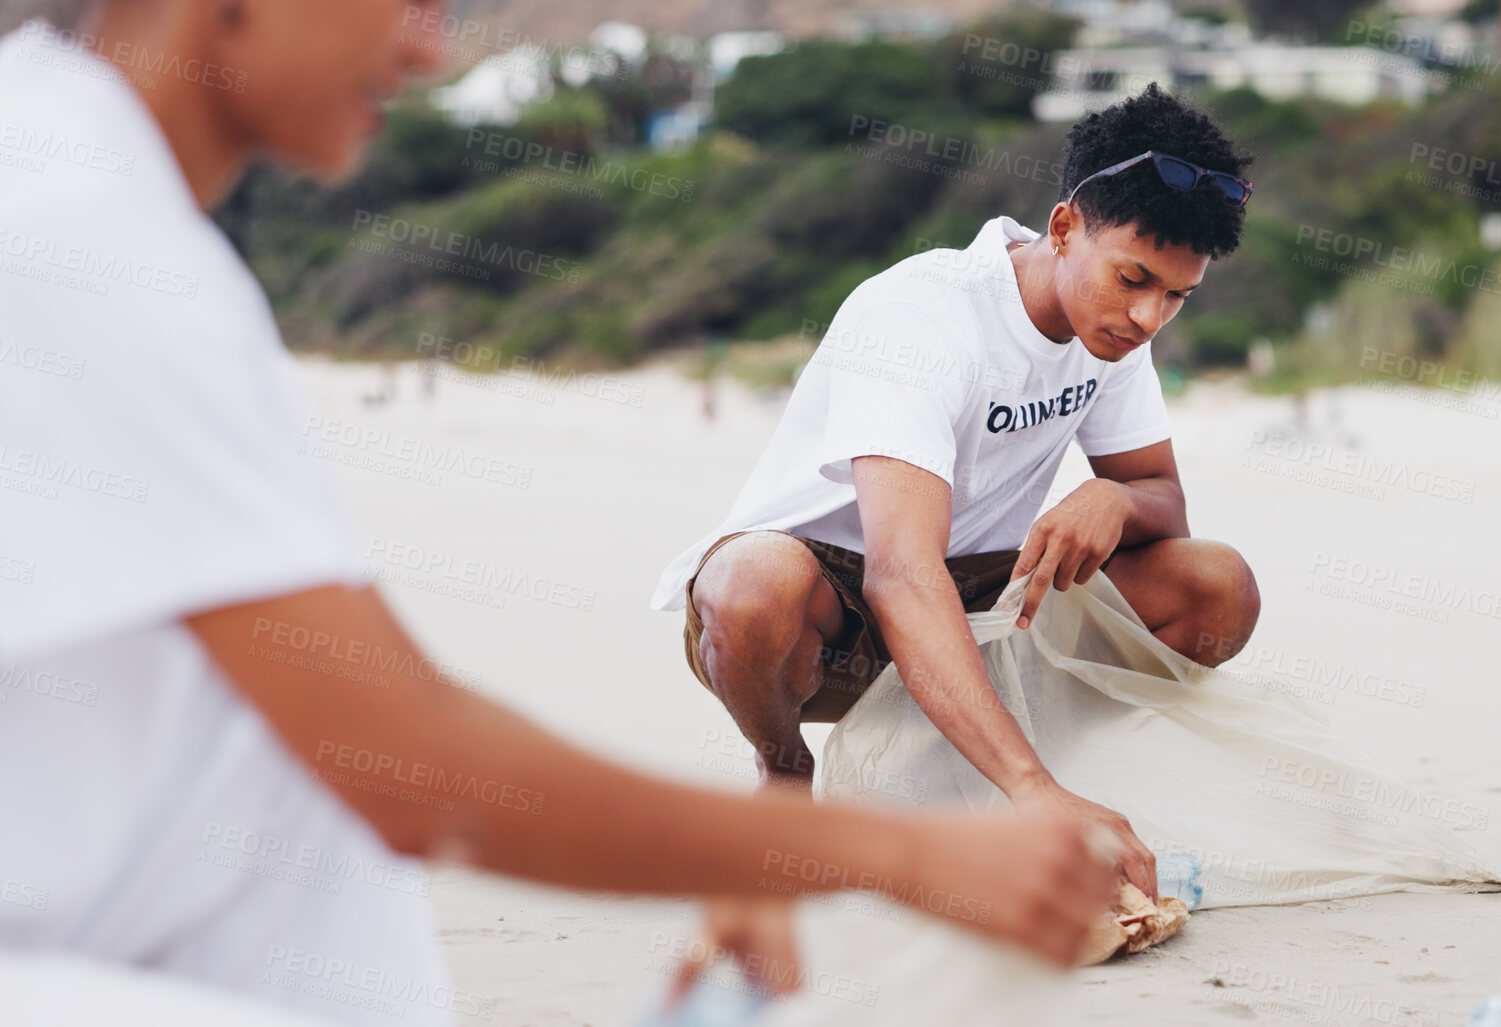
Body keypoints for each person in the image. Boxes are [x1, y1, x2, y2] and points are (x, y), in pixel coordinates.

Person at [0, 2, 1113, 1023]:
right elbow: (401, 758)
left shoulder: (83, 196)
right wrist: (885, 855)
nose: (430, 50)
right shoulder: (81, 240)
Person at [652, 83, 1263, 901]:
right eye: (1133, 279)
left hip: (982, 594)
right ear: (1062, 227)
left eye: (1176, 297)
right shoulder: (921, 317)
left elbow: (1162, 499)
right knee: (751, 584)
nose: (1149, 316)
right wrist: (1031, 789)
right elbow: (899, 573)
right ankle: (789, 771)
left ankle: (986, 775)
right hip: (826, 610)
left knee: (1215, 588)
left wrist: (1112, 500)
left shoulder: (1111, 331)